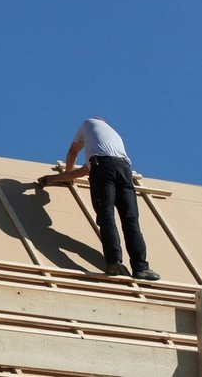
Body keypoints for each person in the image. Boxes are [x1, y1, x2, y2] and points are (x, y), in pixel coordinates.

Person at [37, 117, 159, 281]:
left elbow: (73, 152)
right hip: (124, 170)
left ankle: (114, 262)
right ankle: (141, 268)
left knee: (106, 215)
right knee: (131, 220)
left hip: (103, 168)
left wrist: (65, 174)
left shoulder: (87, 123)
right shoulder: (110, 140)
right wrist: (54, 178)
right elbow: (83, 171)